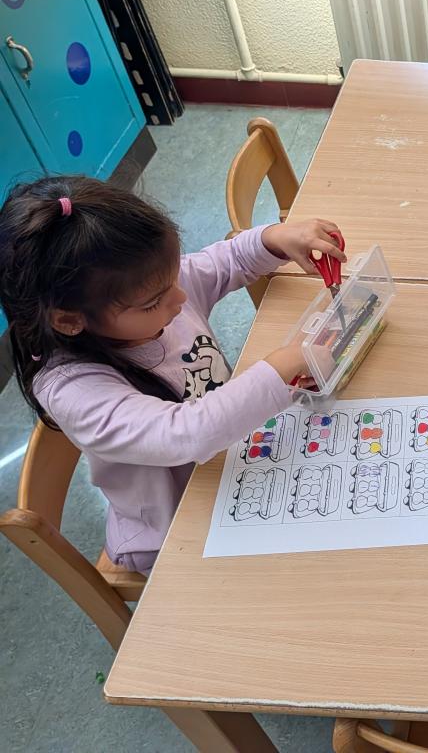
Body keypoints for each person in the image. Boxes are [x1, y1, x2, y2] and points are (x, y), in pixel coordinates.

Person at [0, 175, 344, 574]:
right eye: (154, 302)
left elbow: (226, 261)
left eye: (174, 277)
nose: (180, 297)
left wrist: (274, 239)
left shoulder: (150, 289)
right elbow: (185, 433)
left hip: (230, 468)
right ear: (69, 320)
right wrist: (276, 372)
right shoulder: (73, 390)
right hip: (171, 533)